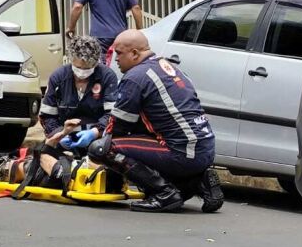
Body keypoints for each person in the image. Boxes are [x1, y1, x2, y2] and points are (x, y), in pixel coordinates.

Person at [86, 30, 223, 213]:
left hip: (182, 152)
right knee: (140, 144)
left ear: (134, 53)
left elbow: (117, 126)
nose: (116, 59)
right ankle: (198, 181)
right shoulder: (169, 66)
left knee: (103, 148)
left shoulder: (135, 77)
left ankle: (165, 194)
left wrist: (95, 137)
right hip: (204, 149)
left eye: (119, 53)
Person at [39, 35, 118, 151]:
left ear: (96, 63)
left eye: (87, 69)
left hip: (97, 138)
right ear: (71, 60)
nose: (82, 73)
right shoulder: (58, 77)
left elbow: (113, 115)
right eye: (77, 67)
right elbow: (47, 116)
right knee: (42, 154)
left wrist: (95, 132)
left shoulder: (107, 77)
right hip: (63, 135)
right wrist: (58, 134)